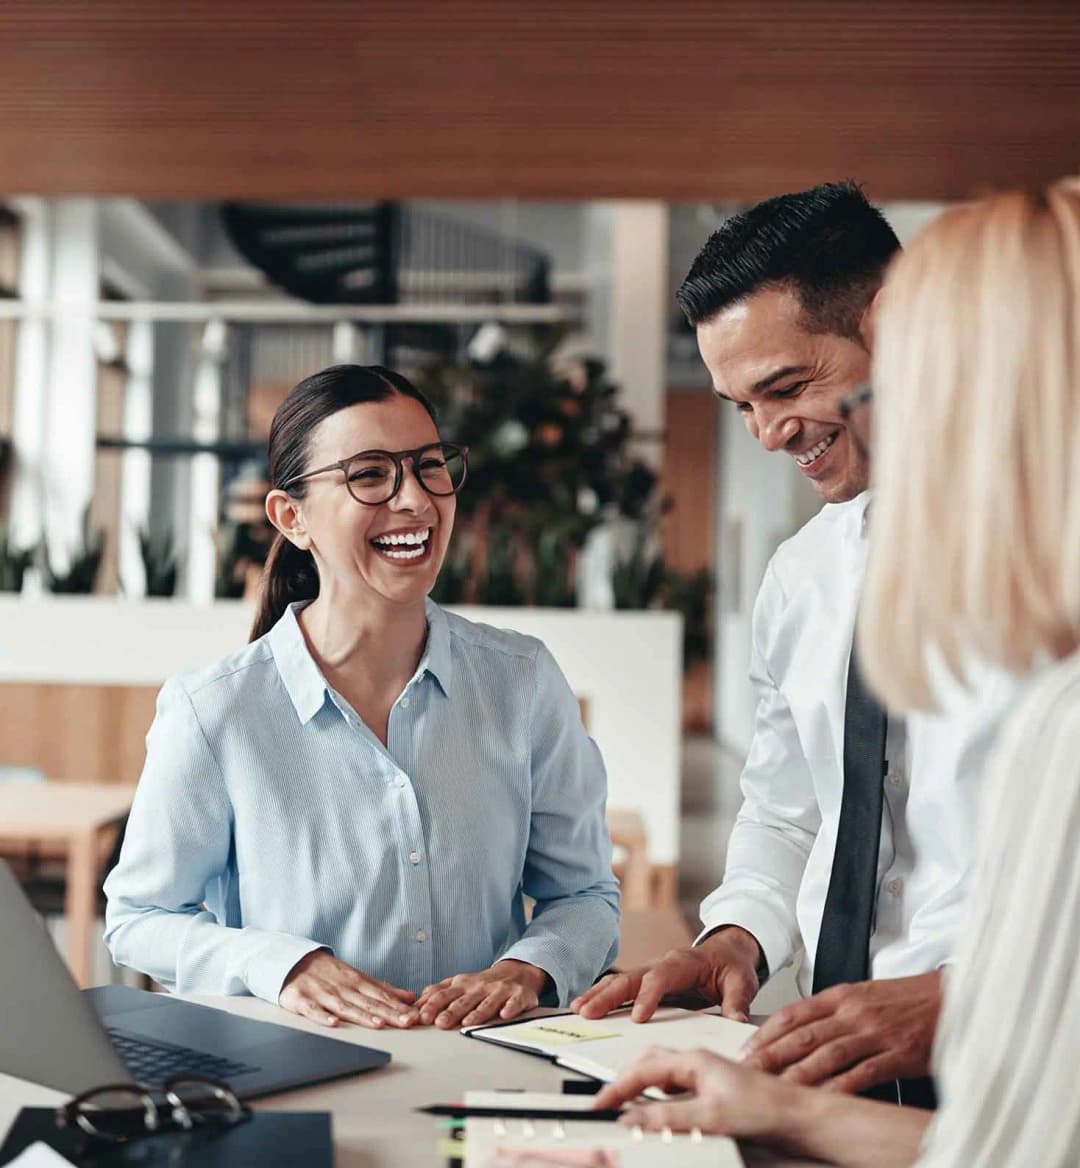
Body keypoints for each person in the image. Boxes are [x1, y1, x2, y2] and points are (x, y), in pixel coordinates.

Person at [594, 181, 1080, 1165]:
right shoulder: (803, 575)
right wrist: (736, 934)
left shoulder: (1050, 560)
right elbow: (787, 806)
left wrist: (964, 994)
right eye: (740, 406)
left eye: (787, 387)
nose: (768, 433)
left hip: (1022, 1033)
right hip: (830, 1036)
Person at [105, 364, 620, 1031]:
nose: (415, 500)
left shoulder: (521, 681)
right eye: (370, 474)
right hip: (294, 1070)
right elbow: (140, 919)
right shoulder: (216, 711)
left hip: (487, 1064)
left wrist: (527, 970)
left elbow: (583, 894)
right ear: (292, 517)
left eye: (430, 466)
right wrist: (281, 966)